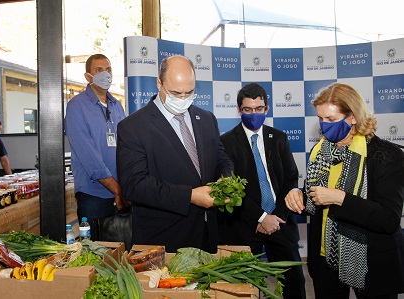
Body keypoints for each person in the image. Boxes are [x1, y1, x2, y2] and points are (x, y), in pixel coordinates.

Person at [285, 82, 404, 299]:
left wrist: (341, 199)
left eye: (331, 119)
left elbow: (388, 219)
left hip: (371, 263)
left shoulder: (385, 155)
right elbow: (314, 202)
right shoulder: (320, 152)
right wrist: (297, 196)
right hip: (325, 261)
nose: (324, 125)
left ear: (353, 117)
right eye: (321, 119)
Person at [116, 55, 234, 253]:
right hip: (165, 239)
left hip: (208, 235)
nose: (183, 99)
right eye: (175, 93)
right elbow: (134, 186)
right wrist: (190, 196)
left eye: (189, 93)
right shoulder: (133, 127)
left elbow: (221, 158)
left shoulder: (206, 119)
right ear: (159, 83)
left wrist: (225, 179)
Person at [219, 83, 306, 299]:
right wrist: (261, 217)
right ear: (239, 110)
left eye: (259, 109)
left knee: (294, 281)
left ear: (266, 109)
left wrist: (275, 217)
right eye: (248, 110)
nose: (254, 114)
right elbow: (231, 188)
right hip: (245, 225)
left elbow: (290, 178)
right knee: (243, 286)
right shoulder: (225, 142)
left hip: (280, 222)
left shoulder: (278, 138)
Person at [65, 53, 129, 241]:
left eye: (108, 70)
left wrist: (125, 187)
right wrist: (116, 190)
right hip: (94, 194)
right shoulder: (77, 106)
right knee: (95, 252)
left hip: (120, 192)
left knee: (120, 250)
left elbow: (126, 146)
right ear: (88, 76)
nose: (105, 74)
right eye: (98, 70)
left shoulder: (117, 106)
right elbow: (89, 156)